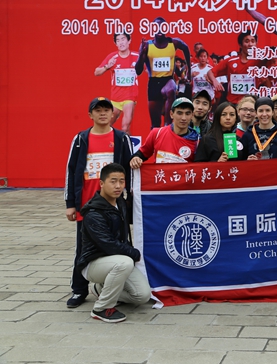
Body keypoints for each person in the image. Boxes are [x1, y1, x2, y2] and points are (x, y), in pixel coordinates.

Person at [64, 97, 133, 308]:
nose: (103, 113)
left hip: (114, 206)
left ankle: (114, 288)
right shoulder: (80, 139)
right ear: (90, 114)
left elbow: (129, 171)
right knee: (83, 248)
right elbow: (71, 171)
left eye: (106, 110)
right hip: (88, 206)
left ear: (113, 114)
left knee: (118, 244)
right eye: (98, 110)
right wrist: (70, 203)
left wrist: (129, 201)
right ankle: (79, 290)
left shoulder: (121, 138)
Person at [76, 163, 150, 322]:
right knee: (125, 262)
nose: (118, 186)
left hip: (116, 260)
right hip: (94, 263)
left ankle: (101, 290)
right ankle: (102, 308)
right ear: (101, 183)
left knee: (142, 296)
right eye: (113, 181)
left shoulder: (120, 203)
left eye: (121, 181)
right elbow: (108, 244)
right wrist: (134, 253)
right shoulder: (93, 213)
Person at [135, 17, 191, 128]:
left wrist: (189, 69)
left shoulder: (173, 42)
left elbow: (185, 48)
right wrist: (141, 55)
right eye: (156, 27)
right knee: (155, 125)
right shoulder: (147, 45)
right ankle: (157, 136)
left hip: (168, 79)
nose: (159, 29)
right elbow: (138, 71)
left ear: (166, 28)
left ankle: (167, 125)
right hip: (154, 83)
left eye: (162, 26)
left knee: (171, 89)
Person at [130, 97, 199, 167]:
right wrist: (136, 158)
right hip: (160, 174)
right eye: (179, 113)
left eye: (187, 113)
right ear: (171, 114)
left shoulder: (197, 141)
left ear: (192, 115)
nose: (183, 118)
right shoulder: (157, 133)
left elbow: (199, 169)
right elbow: (141, 154)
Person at [94, 32, 139, 133]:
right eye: (118, 40)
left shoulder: (137, 56)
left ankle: (126, 143)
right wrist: (107, 66)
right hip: (115, 98)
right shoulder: (112, 57)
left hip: (130, 97)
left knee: (125, 127)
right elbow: (96, 72)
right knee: (106, 125)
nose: (121, 42)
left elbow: (149, 69)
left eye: (123, 39)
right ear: (116, 44)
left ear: (129, 41)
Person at [211, 31, 260, 105]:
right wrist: (215, 82)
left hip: (252, 103)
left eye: (253, 41)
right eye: (247, 41)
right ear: (240, 44)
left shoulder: (260, 61)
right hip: (233, 103)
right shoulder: (231, 61)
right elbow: (210, 72)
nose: (250, 44)